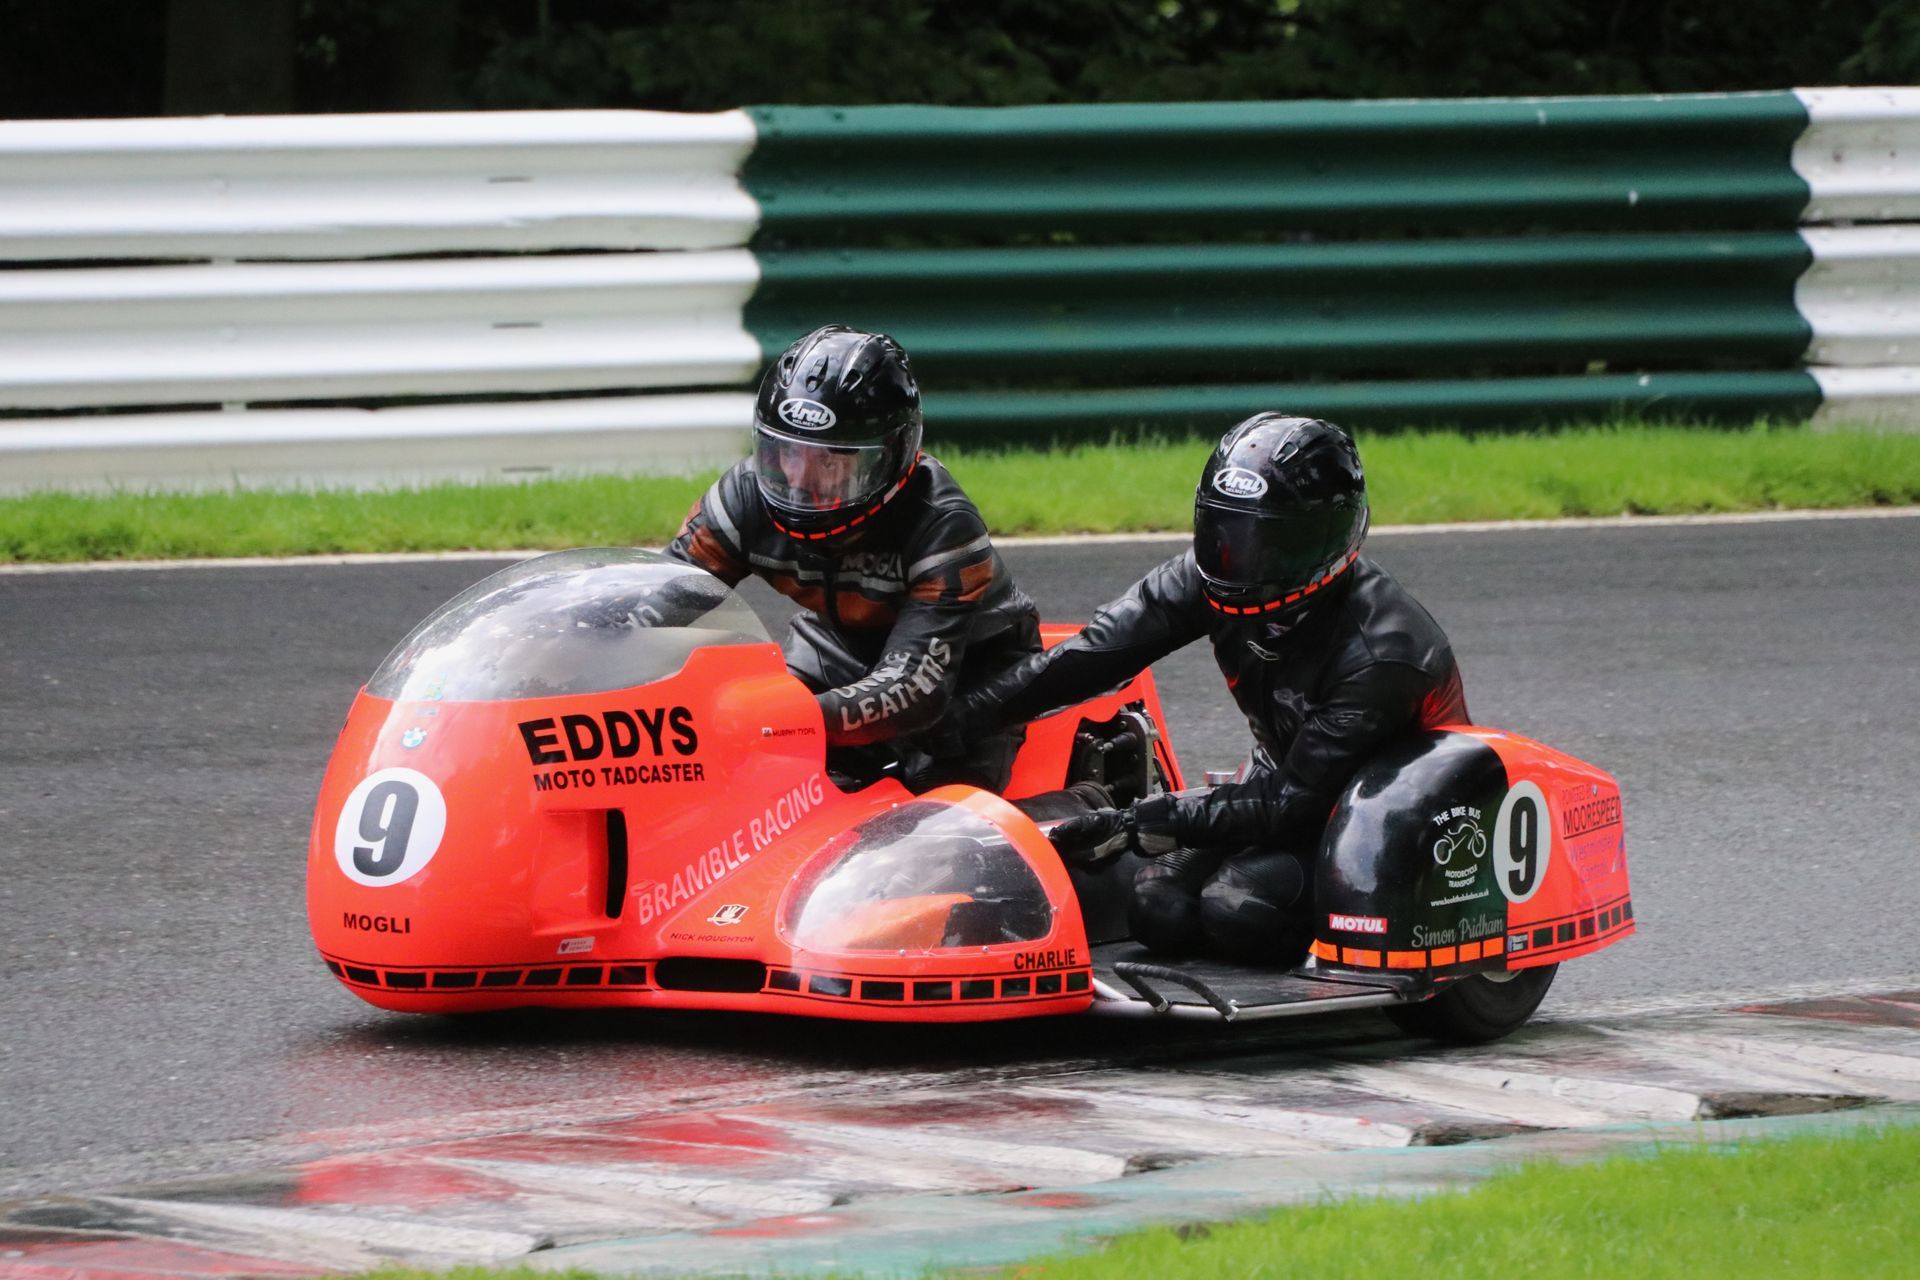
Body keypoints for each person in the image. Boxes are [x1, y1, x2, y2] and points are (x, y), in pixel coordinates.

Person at [954, 413, 1468, 965]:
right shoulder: (1211, 577)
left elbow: (1292, 802)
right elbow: (1092, 656)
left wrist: (1137, 820)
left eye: (1271, 542)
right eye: (1227, 534)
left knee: (1237, 906)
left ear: (1330, 539)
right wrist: (955, 719)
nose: (1241, 560)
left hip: (1376, 824)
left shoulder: (1382, 655)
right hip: (1279, 788)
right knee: (1156, 903)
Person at [667, 324, 1040, 791]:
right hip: (836, 649)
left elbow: (915, 691)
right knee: (728, 774)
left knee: (936, 829)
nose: (800, 478)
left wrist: (776, 723)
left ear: (890, 456)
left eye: (830, 460)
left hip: (968, 676)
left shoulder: (942, 523)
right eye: (786, 452)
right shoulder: (741, 498)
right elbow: (660, 602)